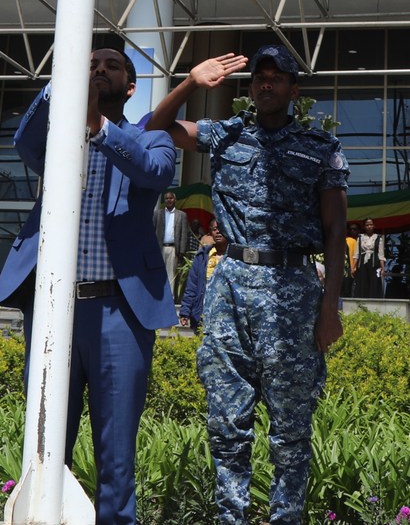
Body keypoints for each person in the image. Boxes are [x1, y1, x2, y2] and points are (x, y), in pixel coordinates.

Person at [148, 45, 348, 525]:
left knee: (292, 425)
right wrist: (191, 83)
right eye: (260, 76)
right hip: (231, 286)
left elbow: (337, 229)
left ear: (293, 90)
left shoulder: (321, 148)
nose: (266, 83)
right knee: (226, 420)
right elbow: (153, 130)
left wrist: (330, 308)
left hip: (294, 289)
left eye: (277, 77)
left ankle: (286, 518)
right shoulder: (226, 135)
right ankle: (231, 517)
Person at [0, 45, 176, 525]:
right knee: (47, 441)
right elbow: (23, 142)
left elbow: (154, 171)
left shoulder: (150, 137)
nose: (99, 69)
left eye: (111, 66)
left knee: (116, 452)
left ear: (131, 87)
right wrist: (64, 82)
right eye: (91, 63)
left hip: (119, 312)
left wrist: (99, 127)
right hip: (53, 310)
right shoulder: (56, 138)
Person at [177, 225, 226, 331]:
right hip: (202, 313)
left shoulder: (234, 257)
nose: (217, 232)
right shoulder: (202, 256)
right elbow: (192, 285)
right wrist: (185, 311)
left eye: (221, 229)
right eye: (214, 229)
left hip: (226, 317)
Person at [158, 190, 192, 290]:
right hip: (160, 248)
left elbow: (184, 234)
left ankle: (170, 299)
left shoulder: (181, 215)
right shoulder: (157, 214)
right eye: (166, 198)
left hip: (173, 249)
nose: (169, 200)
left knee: (171, 275)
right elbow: (153, 231)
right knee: (158, 274)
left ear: (175, 200)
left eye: (171, 198)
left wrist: (181, 252)